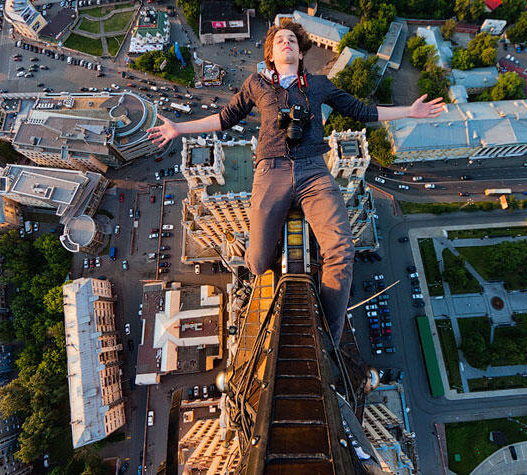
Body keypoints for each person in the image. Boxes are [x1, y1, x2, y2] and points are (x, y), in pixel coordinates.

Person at [148, 20, 445, 346]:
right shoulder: (257, 83)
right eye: (279, 41)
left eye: (291, 40)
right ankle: (259, 280)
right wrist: (178, 128)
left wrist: (411, 112)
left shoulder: (318, 84)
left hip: (314, 172)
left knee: (342, 250)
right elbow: (223, 119)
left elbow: (362, 111)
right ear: (271, 55)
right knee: (257, 260)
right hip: (270, 171)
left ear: (301, 51)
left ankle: (328, 339)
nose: (286, 43)